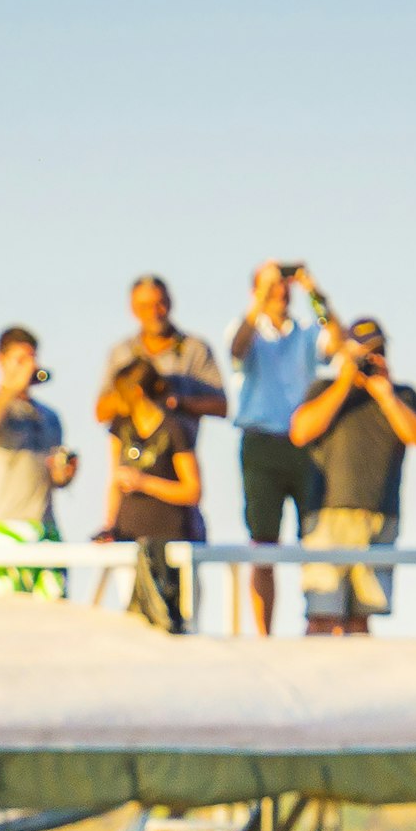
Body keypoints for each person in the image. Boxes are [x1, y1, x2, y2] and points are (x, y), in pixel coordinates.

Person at [288, 317, 416, 636]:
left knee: (361, 619)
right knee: (322, 616)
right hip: (326, 518)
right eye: (364, 352)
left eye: (377, 351)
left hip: (380, 517)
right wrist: (344, 383)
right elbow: (300, 431)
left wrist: (386, 394)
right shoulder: (324, 389)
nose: (371, 358)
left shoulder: (402, 395)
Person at [226, 262, 337, 635]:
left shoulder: (307, 333)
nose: (279, 293)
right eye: (271, 287)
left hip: (305, 445)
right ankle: (263, 633)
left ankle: (316, 622)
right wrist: (261, 297)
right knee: (263, 545)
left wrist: (314, 291)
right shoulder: (248, 329)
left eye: (282, 287)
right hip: (261, 444)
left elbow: (337, 342)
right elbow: (237, 349)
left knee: (315, 539)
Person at [0, 326, 78, 596]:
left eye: (32, 358)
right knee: (6, 619)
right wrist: (10, 390)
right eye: (20, 360)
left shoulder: (50, 416)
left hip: (44, 528)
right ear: (0, 361)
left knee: (54, 615)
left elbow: (54, 477)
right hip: (0, 528)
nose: (29, 367)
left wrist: (66, 474)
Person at [98, 360, 203, 633]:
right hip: (128, 536)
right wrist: (109, 525)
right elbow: (114, 481)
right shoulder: (120, 426)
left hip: (171, 541)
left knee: (179, 626)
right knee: (134, 627)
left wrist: (145, 482)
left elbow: (192, 490)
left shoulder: (174, 429)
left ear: (137, 393)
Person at [104, 272, 229, 425]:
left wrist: (178, 402)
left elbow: (222, 407)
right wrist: (132, 395)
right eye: (145, 306)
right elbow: (100, 412)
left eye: (159, 303)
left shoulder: (195, 348)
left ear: (170, 303)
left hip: (178, 444)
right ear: (133, 309)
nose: (154, 312)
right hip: (131, 446)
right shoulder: (121, 352)